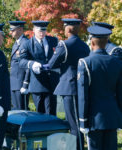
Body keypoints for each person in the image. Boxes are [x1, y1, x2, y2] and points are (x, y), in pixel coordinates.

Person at [42, 18, 90, 150]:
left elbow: (51, 64)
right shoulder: (85, 46)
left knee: (73, 124)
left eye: (64, 27)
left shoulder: (64, 45)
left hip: (70, 87)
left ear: (68, 29)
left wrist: (39, 66)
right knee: (78, 121)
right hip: (80, 86)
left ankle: (77, 148)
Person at [77, 25, 122, 150]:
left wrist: (83, 121)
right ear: (107, 42)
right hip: (112, 117)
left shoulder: (85, 63)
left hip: (94, 119)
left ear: (91, 42)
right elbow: (120, 93)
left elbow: (83, 96)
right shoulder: (117, 62)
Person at [19, 21, 58, 115]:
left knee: (51, 113)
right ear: (33, 30)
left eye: (44, 30)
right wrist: (32, 64)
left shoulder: (53, 41)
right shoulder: (27, 44)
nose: (42, 33)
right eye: (39, 30)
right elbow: (21, 61)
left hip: (51, 82)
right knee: (40, 113)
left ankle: (52, 129)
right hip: (38, 83)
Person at [9, 21, 29, 110]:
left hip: (20, 82)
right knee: (16, 111)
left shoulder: (25, 43)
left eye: (13, 30)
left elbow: (28, 65)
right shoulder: (16, 43)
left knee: (22, 110)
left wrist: (25, 84)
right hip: (14, 82)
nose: (11, 32)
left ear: (20, 29)